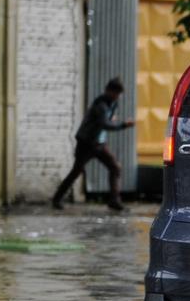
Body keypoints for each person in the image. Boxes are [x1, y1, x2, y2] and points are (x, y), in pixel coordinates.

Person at [52, 77, 132, 211]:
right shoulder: (100, 104)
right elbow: (105, 124)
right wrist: (123, 125)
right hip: (87, 143)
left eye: (119, 94)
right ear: (109, 91)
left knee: (115, 167)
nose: (117, 97)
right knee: (76, 171)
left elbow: (106, 119)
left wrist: (110, 119)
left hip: (99, 143)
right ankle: (56, 199)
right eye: (115, 93)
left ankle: (114, 200)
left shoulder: (112, 103)